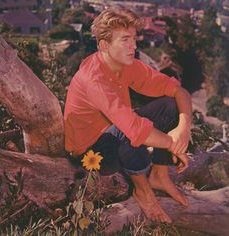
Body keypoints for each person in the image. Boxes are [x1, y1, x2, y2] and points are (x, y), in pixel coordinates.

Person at [64, 8, 192, 223]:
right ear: (105, 45)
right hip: (89, 153)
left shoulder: (126, 65)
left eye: (134, 38)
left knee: (169, 105)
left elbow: (179, 91)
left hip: (116, 131)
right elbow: (133, 129)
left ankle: (159, 176)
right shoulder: (93, 78)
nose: (133, 45)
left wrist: (183, 129)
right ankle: (142, 191)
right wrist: (172, 143)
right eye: (125, 40)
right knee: (129, 131)